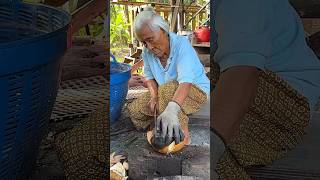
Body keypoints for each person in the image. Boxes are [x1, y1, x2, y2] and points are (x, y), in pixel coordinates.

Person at [211, 0, 320, 179]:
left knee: (201, 150)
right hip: (252, 82)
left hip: (287, 100)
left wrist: (212, 145)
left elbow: (242, 73)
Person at [128, 8, 210, 151]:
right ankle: (160, 124)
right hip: (166, 92)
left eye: (150, 39)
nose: (149, 46)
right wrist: (153, 96)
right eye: (144, 42)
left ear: (164, 30)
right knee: (134, 110)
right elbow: (149, 77)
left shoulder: (181, 45)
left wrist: (171, 110)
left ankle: (182, 134)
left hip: (195, 91)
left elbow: (185, 82)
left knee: (166, 90)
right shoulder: (147, 52)